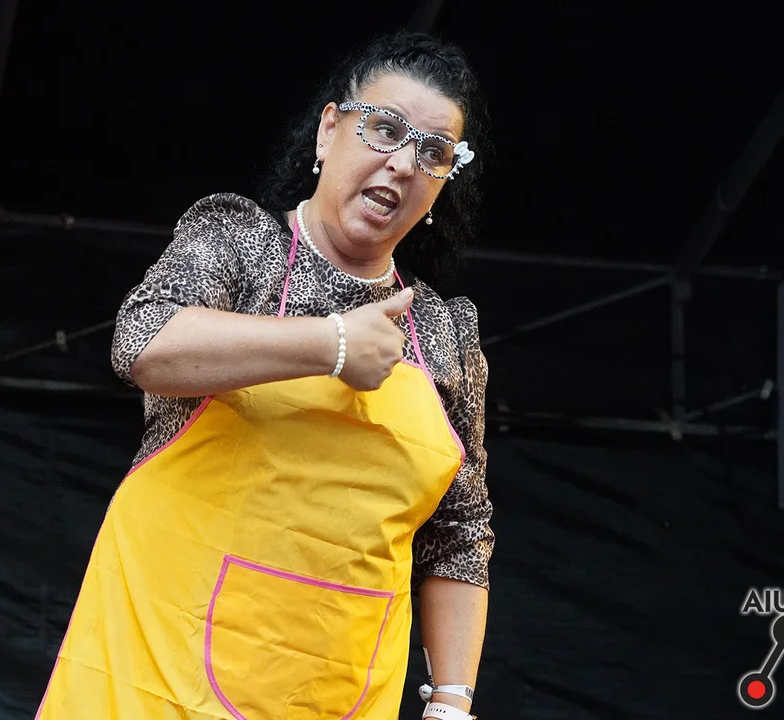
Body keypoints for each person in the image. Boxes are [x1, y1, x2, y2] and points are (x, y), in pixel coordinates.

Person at [35, 29, 495, 720]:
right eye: (384, 129)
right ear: (329, 131)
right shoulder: (241, 243)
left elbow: (460, 533)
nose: (403, 163)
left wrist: (452, 701)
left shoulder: (444, 332)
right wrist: (330, 344)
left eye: (433, 152)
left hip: (338, 695)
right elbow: (143, 341)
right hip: (162, 680)